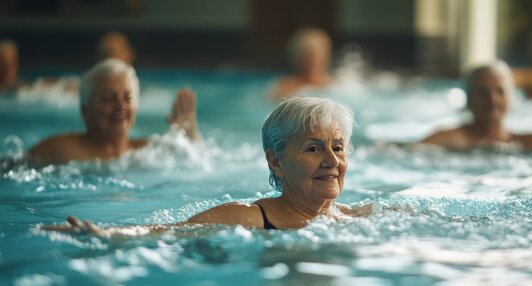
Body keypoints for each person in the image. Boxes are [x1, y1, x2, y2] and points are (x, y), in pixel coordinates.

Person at [43, 96, 370, 235]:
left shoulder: (354, 216)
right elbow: (166, 234)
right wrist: (104, 234)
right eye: (314, 148)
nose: (332, 160)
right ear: (277, 162)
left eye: (338, 147)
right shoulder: (250, 218)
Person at [27, 58, 201, 165]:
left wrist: (191, 136)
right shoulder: (59, 152)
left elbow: (199, 161)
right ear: (84, 109)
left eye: (128, 98)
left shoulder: (150, 154)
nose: (121, 106)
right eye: (109, 99)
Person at [270, 28, 334, 101]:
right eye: (306, 55)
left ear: (326, 56)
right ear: (295, 57)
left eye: (316, 55)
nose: (312, 61)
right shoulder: (284, 88)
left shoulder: (336, 86)